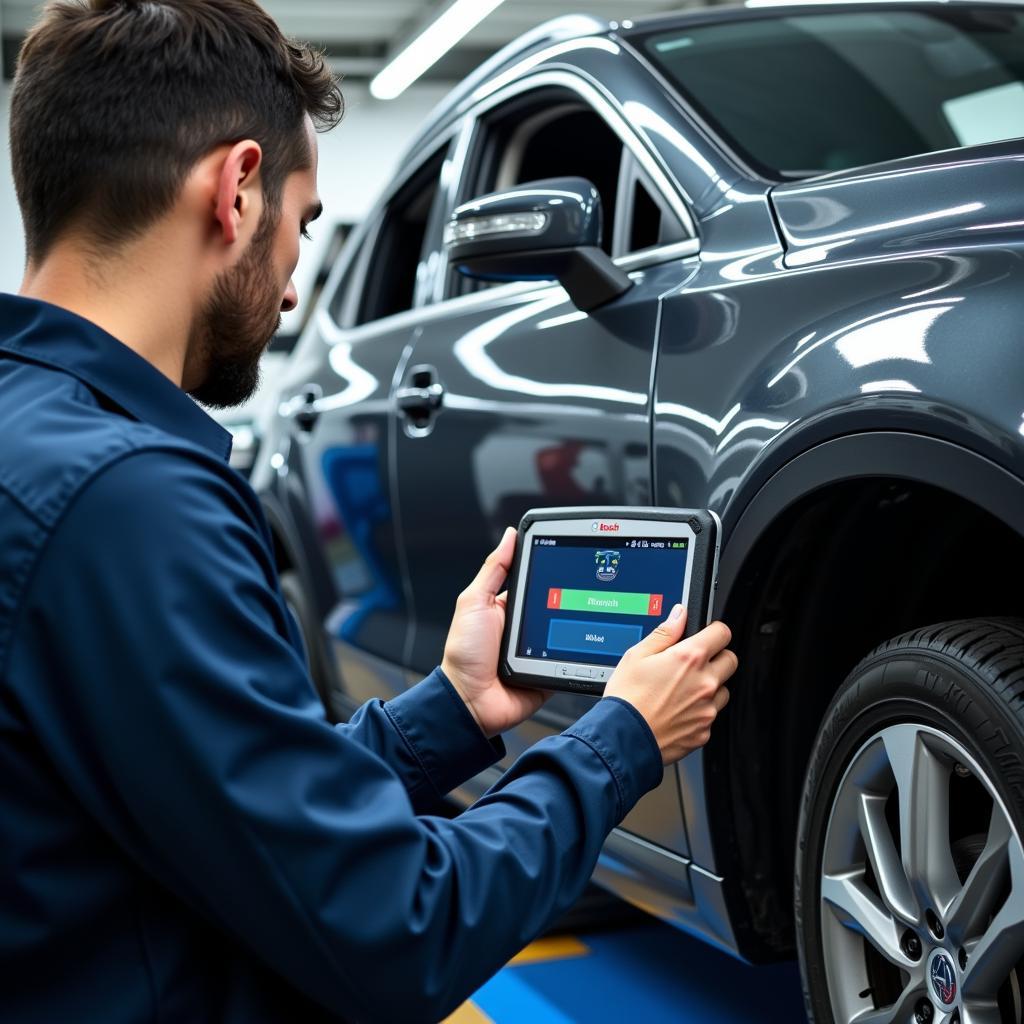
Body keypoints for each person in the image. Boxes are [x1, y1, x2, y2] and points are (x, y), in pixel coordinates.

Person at [0, 1, 737, 1021]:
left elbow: (220, 795)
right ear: (237, 189)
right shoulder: (131, 504)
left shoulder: (36, 440)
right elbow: (396, 928)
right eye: (305, 229)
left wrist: (454, 708)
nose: (297, 292)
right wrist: (623, 742)